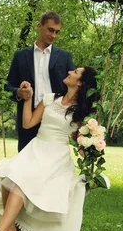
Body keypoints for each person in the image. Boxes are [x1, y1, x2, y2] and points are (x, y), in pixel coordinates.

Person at [0, 66, 99, 231]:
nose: (70, 71)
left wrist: (94, 145)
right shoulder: (50, 98)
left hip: (56, 157)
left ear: (80, 82)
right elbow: (28, 123)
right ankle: (9, 230)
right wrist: (28, 99)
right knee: (5, 175)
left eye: (75, 72)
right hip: (36, 148)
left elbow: (82, 143)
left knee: (20, 184)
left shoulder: (81, 112)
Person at [6, 11, 75, 152]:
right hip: (28, 118)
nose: (53, 35)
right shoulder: (20, 56)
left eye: (57, 32)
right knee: (25, 162)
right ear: (39, 26)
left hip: (54, 120)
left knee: (51, 165)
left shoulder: (65, 57)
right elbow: (8, 86)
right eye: (50, 30)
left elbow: (73, 87)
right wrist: (18, 92)